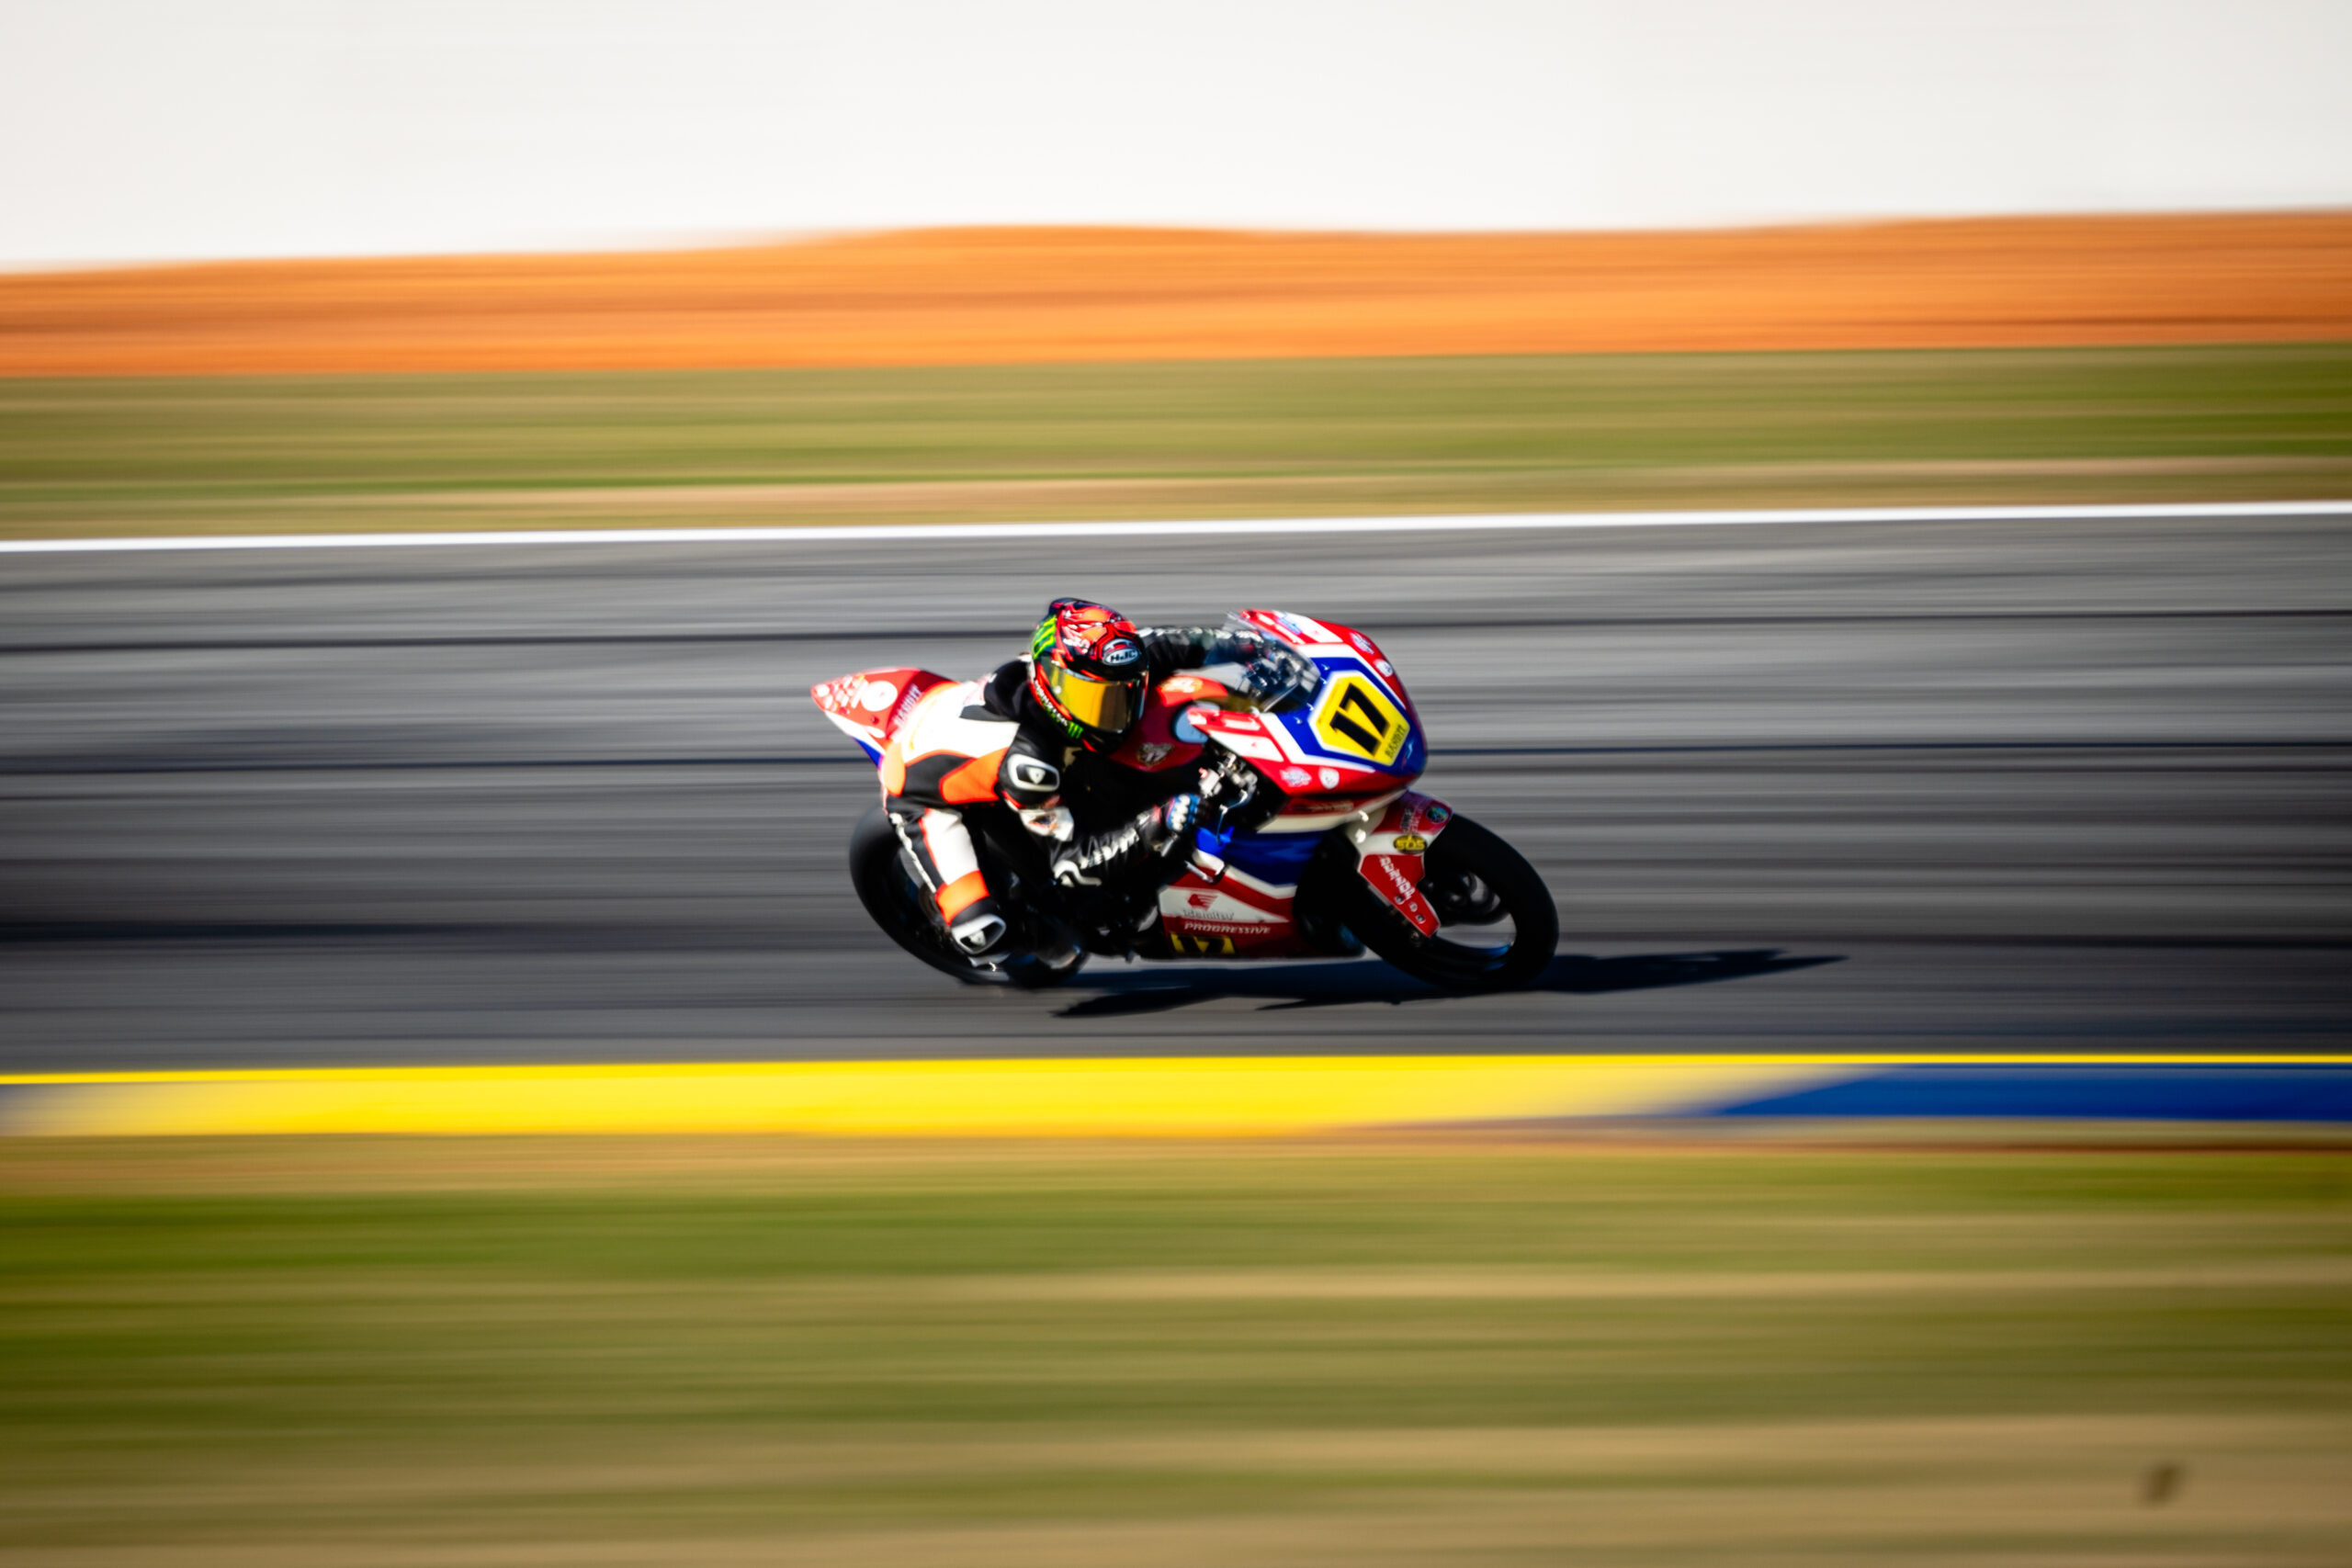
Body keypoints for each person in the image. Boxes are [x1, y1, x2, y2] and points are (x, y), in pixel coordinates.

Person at [880, 598, 1266, 955]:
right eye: (1095, 701)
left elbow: (1171, 643)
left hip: (987, 732)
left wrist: (1244, 647)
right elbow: (1073, 864)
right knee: (983, 931)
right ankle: (1031, 939)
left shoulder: (1095, 661)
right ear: (1053, 686)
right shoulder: (1028, 764)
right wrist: (1157, 821)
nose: (1115, 713)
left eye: (1123, 695)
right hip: (921, 795)